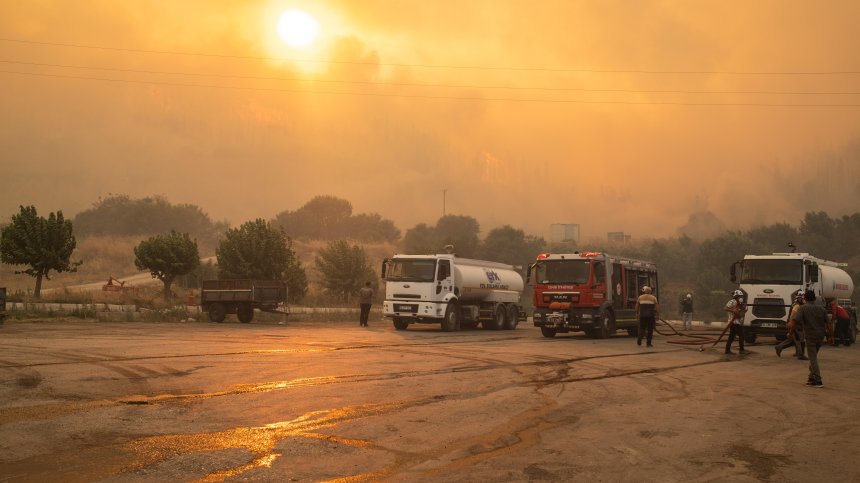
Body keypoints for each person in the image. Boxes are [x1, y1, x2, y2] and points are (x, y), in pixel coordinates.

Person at [791, 289, 833, 387]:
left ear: (805, 298)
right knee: (813, 357)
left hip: (810, 337)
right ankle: (811, 378)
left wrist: (790, 332)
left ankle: (818, 380)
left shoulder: (802, 308)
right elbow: (829, 324)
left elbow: (795, 321)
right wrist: (831, 336)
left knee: (813, 358)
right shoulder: (822, 309)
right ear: (814, 298)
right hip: (820, 337)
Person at [775, 290, 808, 360]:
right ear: (799, 298)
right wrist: (792, 324)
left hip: (793, 324)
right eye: (803, 298)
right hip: (796, 325)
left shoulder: (795, 304)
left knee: (794, 339)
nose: (804, 300)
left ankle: (780, 347)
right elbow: (792, 316)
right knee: (800, 340)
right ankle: (800, 354)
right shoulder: (797, 305)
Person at [723, 289, 749, 355]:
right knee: (742, 335)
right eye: (740, 296)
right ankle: (741, 350)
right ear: (736, 296)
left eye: (741, 296)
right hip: (733, 322)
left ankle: (727, 350)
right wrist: (733, 310)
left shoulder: (741, 303)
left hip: (737, 322)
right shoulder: (731, 301)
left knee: (731, 337)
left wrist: (743, 309)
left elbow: (743, 312)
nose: (741, 298)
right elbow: (725, 308)